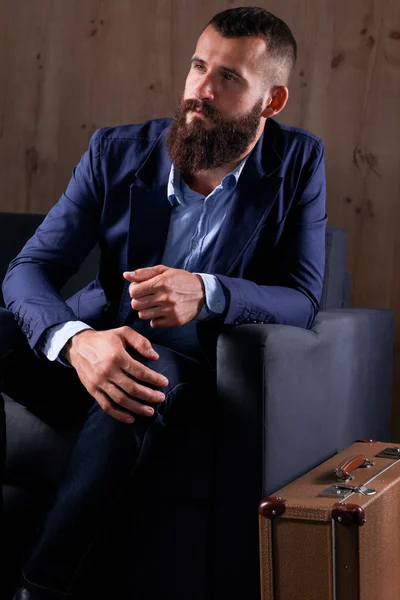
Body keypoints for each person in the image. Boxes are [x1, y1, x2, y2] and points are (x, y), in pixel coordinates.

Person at [0, 6, 326, 600]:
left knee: (139, 387)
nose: (200, 90)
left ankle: (37, 589)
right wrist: (74, 341)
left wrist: (207, 291)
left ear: (271, 102)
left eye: (229, 78)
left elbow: (303, 301)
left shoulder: (298, 163)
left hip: (190, 362)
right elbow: (30, 269)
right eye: (199, 66)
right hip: (92, 338)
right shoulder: (116, 151)